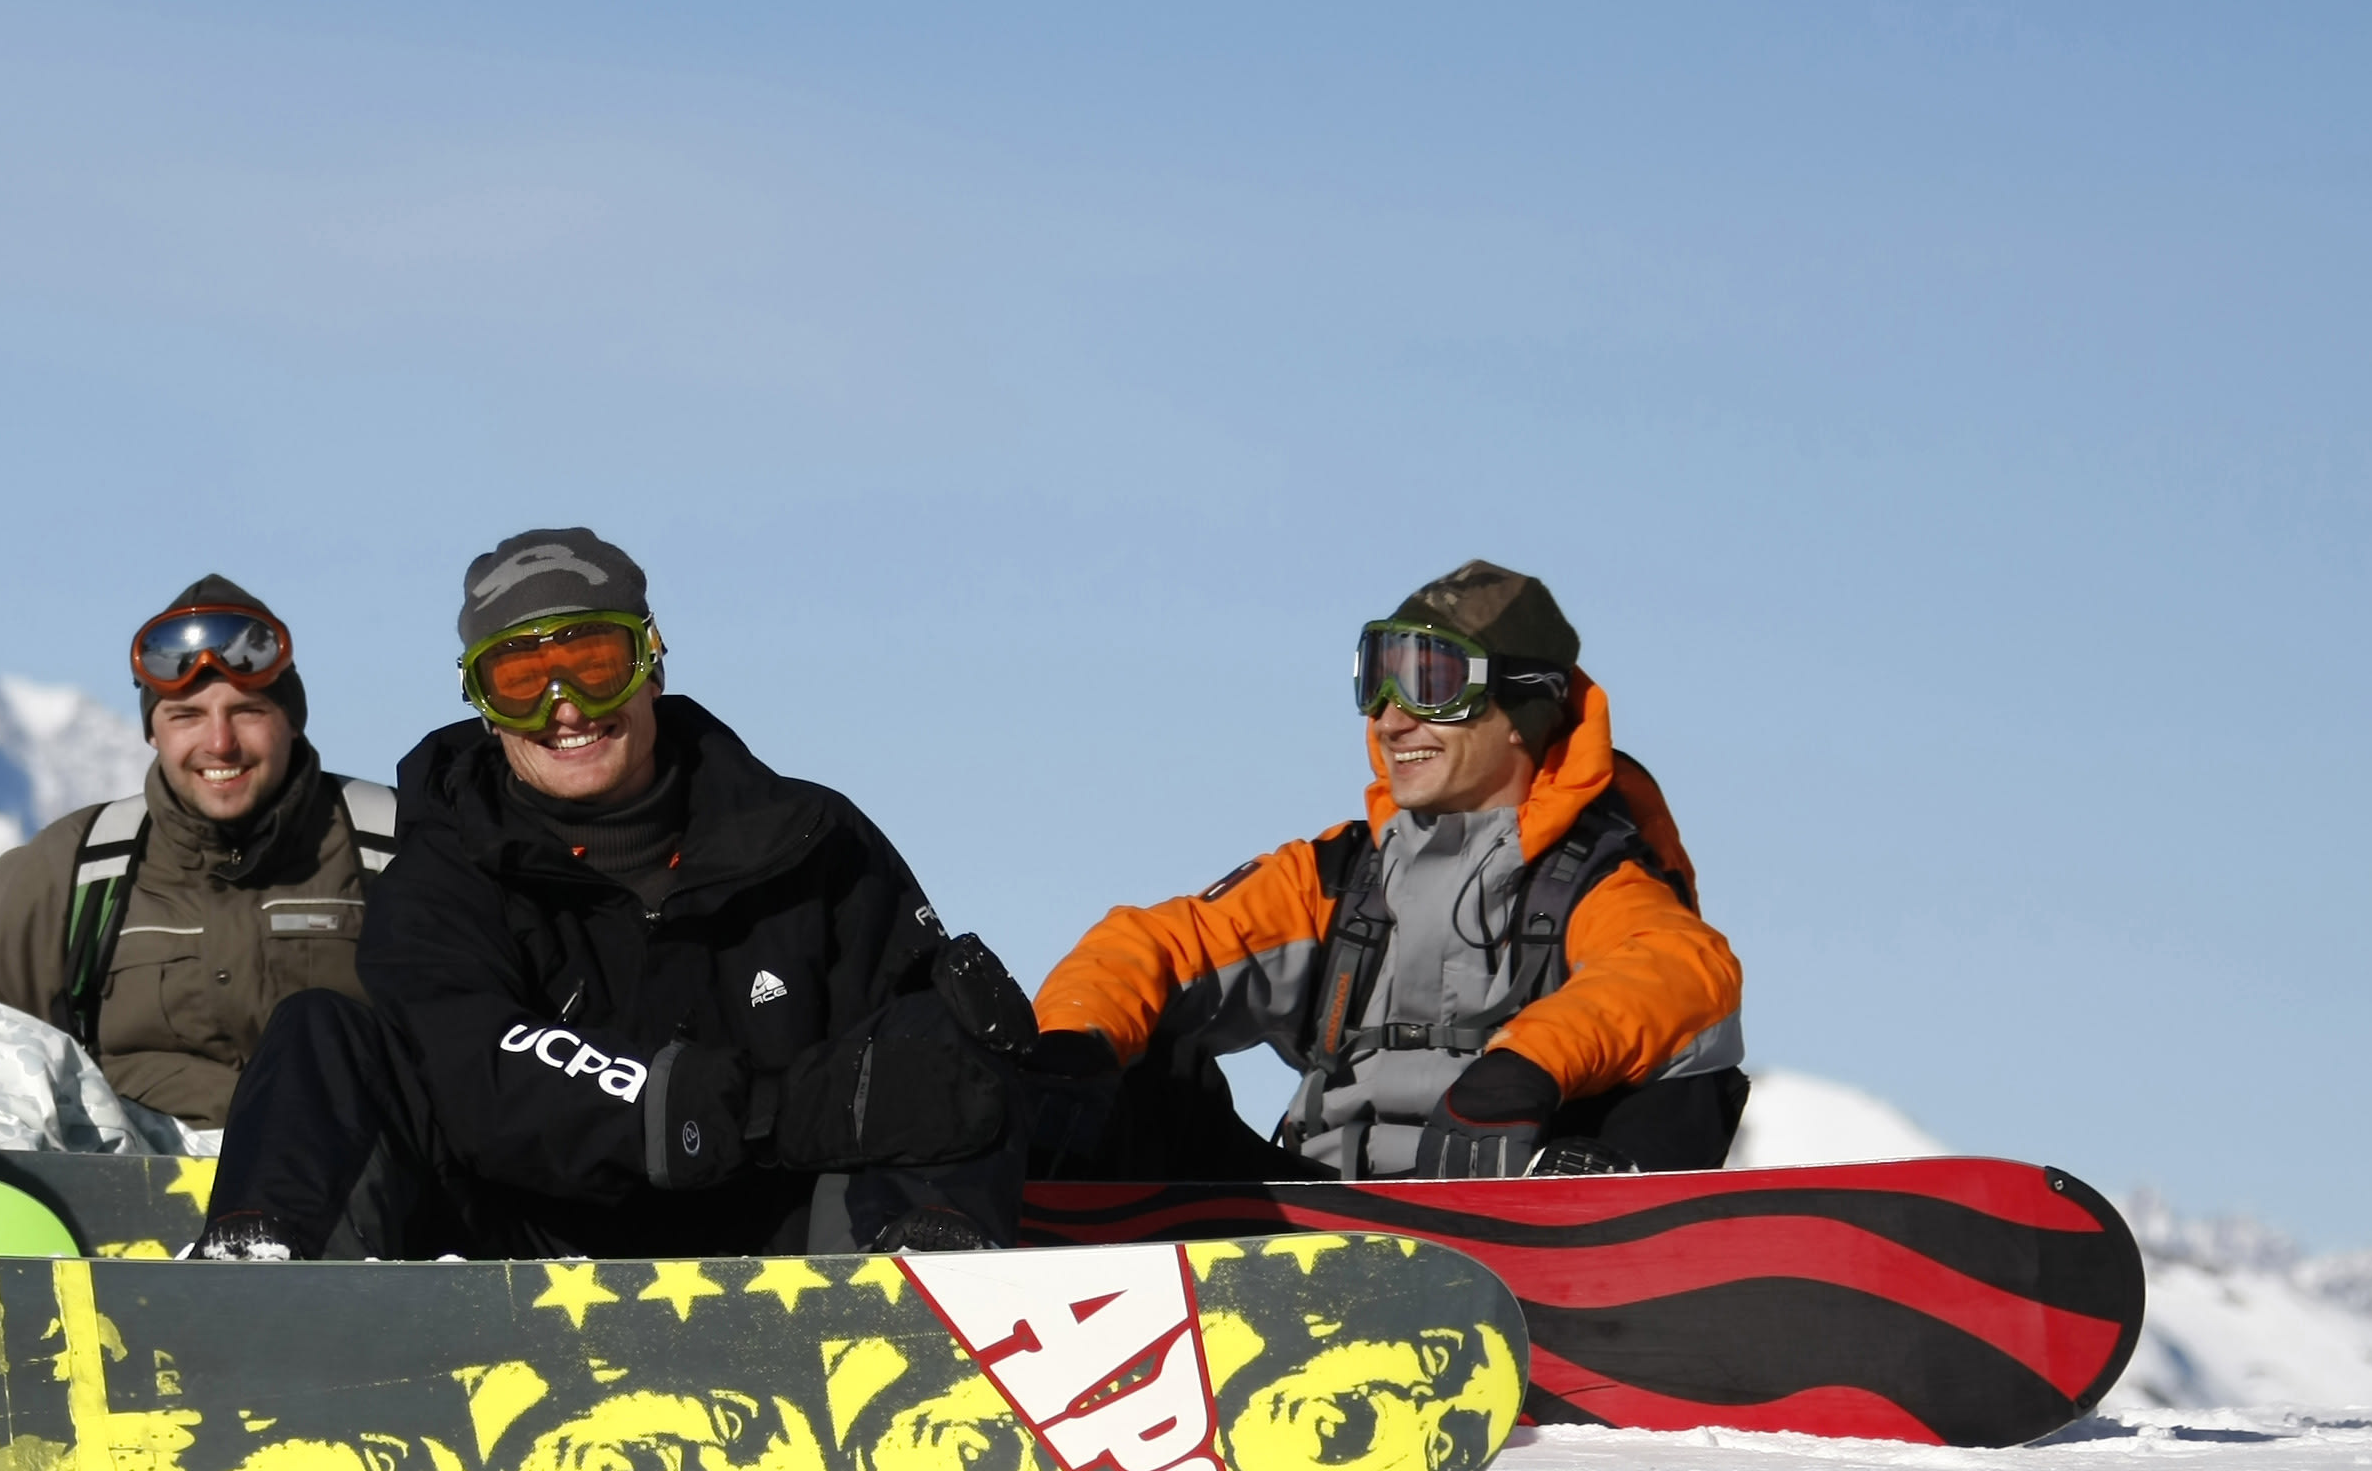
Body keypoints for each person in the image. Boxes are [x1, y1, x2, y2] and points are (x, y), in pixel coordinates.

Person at [189, 527, 1038, 1262]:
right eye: (521, 680)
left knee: (943, 1027)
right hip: (517, 1250)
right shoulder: (445, 864)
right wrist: (770, 1110)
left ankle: (922, 1303)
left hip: (780, 1243)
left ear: (650, 666)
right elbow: (480, 1079)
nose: (566, 708)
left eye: (594, 663)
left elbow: (928, 1073)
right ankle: (267, 1301)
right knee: (321, 1034)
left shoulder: (813, 839)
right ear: (485, 710)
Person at [1034, 560, 1744, 1180]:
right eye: (1379, 678)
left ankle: (1609, 1257)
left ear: (1525, 710)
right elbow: (1151, 947)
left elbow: (1677, 968)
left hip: (1512, 1226)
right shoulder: (1335, 878)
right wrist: (1068, 1048)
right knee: (1125, 1060)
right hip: (1314, 1227)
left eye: (1431, 683)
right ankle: (1061, 1267)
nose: (1391, 718)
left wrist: (1527, 1064)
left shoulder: (1593, 885)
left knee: (1690, 1069)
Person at [0, 576, 393, 1153]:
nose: (219, 743)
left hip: (349, 1162)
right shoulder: (74, 867)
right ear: (153, 731)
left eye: (247, 711)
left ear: (291, 719)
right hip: (139, 1172)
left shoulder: (394, 842)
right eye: (187, 716)